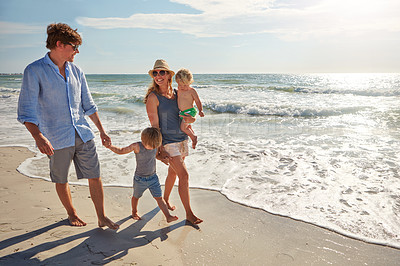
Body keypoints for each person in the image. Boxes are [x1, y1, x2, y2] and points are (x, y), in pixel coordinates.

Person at [17, 23, 119, 229]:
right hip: (55, 137)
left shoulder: (77, 71)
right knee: (61, 178)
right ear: (59, 44)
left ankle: (101, 216)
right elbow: (26, 111)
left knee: (95, 175)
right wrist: (39, 137)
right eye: (74, 46)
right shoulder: (34, 70)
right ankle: (71, 213)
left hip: (83, 132)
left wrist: (102, 131)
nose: (77, 51)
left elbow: (88, 105)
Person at [144, 59, 203, 225]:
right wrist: (159, 148)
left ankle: (166, 199)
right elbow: (154, 126)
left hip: (182, 139)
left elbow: (188, 115)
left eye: (162, 72)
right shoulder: (153, 98)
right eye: (155, 73)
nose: (158, 76)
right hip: (168, 142)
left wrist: (192, 118)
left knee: (174, 172)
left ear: (169, 75)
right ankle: (190, 214)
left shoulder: (179, 93)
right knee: (184, 175)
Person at [105, 127, 178, 223]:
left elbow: (156, 156)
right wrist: (110, 146)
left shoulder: (155, 146)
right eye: (150, 145)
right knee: (136, 197)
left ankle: (168, 216)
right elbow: (121, 150)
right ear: (143, 140)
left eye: (155, 145)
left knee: (159, 198)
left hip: (153, 178)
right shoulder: (137, 146)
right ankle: (134, 212)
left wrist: (163, 158)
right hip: (139, 179)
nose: (153, 147)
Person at [175, 68, 205, 149]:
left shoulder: (192, 91)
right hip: (182, 112)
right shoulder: (179, 90)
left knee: (183, 128)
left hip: (189, 112)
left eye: (184, 85)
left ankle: (193, 137)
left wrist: (200, 110)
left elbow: (198, 101)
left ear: (189, 82)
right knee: (188, 127)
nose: (182, 87)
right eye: (179, 85)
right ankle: (193, 139)